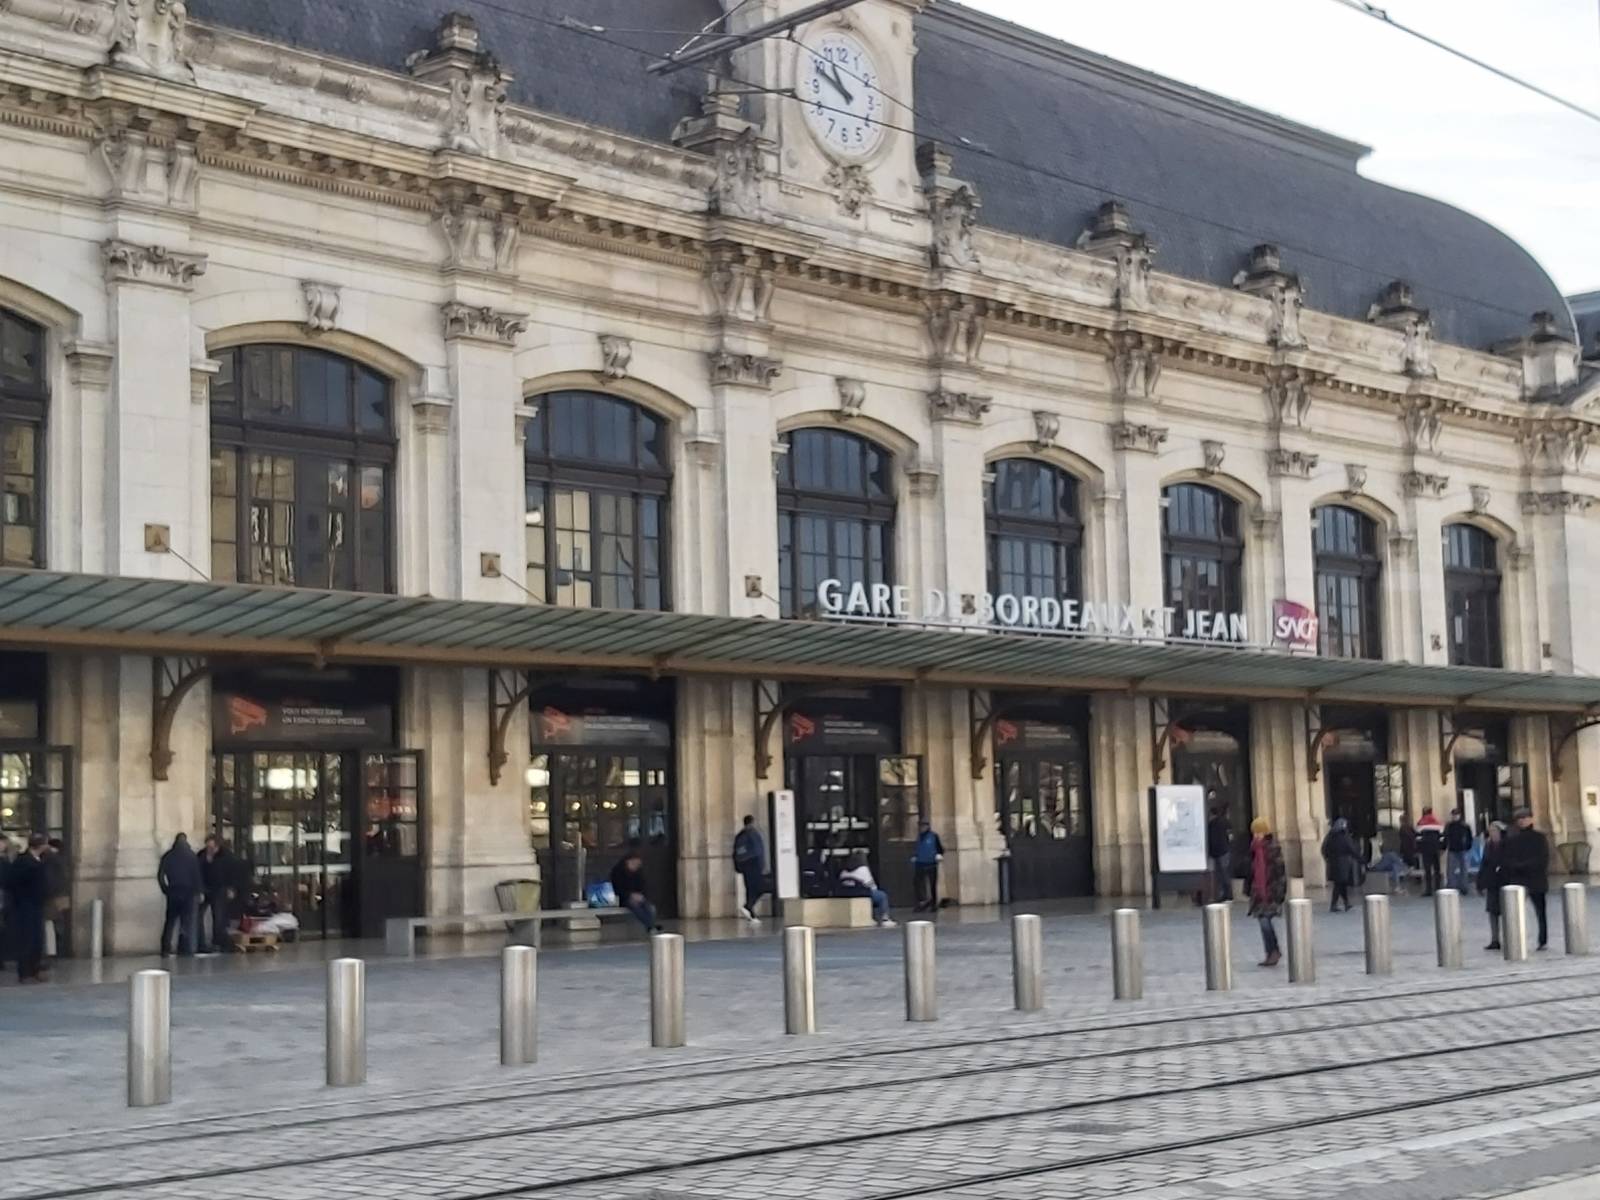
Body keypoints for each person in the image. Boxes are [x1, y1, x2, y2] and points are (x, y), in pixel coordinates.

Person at [1501, 806, 1551, 950]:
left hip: (1536, 878)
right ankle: (1515, 939)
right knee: (1515, 912)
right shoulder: (1512, 839)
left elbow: (1543, 858)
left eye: (1524, 818)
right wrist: (1515, 867)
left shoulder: (1539, 837)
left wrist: (1522, 866)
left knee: (1540, 912)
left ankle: (1543, 940)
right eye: (1519, 819)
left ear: (1531, 819)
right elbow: (1507, 858)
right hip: (1518, 879)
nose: (1522, 821)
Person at [5, 834, 49, 982]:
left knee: (37, 939)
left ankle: (35, 969)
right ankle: (25, 973)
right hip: (25, 905)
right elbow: (13, 883)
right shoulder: (23, 862)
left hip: (36, 904)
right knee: (27, 939)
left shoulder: (39, 860)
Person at [1247, 817, 1287, 967]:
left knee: (1265, 922)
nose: (1256, 835)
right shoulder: (1254, 849)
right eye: (1255, 833)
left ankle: (1273, 952)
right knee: (1263, 922)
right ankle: (1271, 952)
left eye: (1259, 832)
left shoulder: (1273, 849)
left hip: (1270, 891)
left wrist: (1279, 893)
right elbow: (1253, 872)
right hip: (1259, 892)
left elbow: (1280, 873)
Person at [156, 832, 202, 957]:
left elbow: (160, 875)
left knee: (170, 922)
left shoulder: (168, 856)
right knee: (185, 922)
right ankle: (184, 947)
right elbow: (196, 876)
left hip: (173, 892)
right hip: (188, 893)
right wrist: (198, 891)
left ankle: (166, 947)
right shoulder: (191, 856)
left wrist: (165, 889)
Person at [198, 835, 239, 953]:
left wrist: (231, 888)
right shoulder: (202, 855)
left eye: (211, 847)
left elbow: (232, 872)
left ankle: (219, 942)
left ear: (217, 846)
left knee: (218, 917)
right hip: (205, 889)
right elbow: (197, 870)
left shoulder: (226, 856)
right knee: (199, 915)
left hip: (219, 889)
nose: (209, 849)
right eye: (207, 846)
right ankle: (201, 943)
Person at [609, 847, 662, 933]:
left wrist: (640, 895)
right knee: (636, 907)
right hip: (623, 898)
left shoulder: (638, 872)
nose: (636, 866)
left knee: (650, 907)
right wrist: (630, 895)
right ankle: (651, 926)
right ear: (628, 861)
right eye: (635, 863)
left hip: (638, 896)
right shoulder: (617, 872)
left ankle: (651, 926)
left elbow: (643, 886)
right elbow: (617, 889)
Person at [839, 852, 896, 927]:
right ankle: (885, 919)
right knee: (882, 895)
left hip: (847, 894)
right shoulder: (863, 869)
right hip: (862, 893)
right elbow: (871, 885)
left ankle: (871, 917)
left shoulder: (844, 871)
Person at [731, 815, 768, 923]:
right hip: (755, 866)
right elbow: (758, 851)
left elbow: (735, 853)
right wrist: (762, 866)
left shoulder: (740, 836)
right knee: (761, 888)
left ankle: (751, 914)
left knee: (749, 889)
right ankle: (748, 906)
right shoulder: (753, 834)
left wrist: (738, 867)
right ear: (752, 822)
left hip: (745, 867)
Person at [1321, 817, 1361, 913]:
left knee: (1340, 884)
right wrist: (1361, 859)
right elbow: (1351, 849)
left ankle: (1346, 903)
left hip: (1333, 863)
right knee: (1339, 884)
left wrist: (1328, 859)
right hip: (1343, 864)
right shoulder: (1344, 836)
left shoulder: (1330, 836)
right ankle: (1334, 905)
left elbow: (1324, 849)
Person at [1478, 820, 1506, 950]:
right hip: (1491, 882)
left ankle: (1510, 937)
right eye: (1490, 831)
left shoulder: (1507, 845)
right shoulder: (1488, 845)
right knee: (1492, 912)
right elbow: (1484, 864)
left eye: (1494, 831)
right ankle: (1495, 939)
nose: (1492, 833)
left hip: (1505, 882)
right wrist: (1480, 883)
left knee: (1507, 911)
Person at [912, 821, 945, 912]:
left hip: (931, 864)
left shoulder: (934, 836)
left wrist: (939, 855)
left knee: (932, 885)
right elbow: (916, 849)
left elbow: (940, 849)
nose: (922, 828)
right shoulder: (918, 837)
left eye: (924, 826)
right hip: (919, 863)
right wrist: (915, 856)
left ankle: (933, 904)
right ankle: (921, 903)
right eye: (921, 826)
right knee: (918, 884)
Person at [1369, 825, 1409, 896]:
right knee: (1391, 855)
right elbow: (1374, 858)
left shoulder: (1381, 844)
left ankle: (1397, 888)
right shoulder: (1373, 842)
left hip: (1382, 863)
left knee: (1394, 866)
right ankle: (1404, 867)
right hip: (1376, 865)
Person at [1206, 802, 1232, 904]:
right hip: (1224, 851)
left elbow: (1212, 839)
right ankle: (1227, 894)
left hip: (1218, 852)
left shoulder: (1212, 825)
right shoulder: (1224, 822)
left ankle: (1226, 894)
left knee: (1221, 874)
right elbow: (1229, 835)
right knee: (1224, 873)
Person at [1416, 807, 1445, 895]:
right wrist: (1441, 848)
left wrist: (1419, 849)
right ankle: (1438, 887)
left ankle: (1428, 890)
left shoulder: (1420, 823)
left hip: (1426, 850)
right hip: (1436, 849)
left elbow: (1418, 838)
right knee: (1437, 869)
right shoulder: (1438, 823)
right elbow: (1442, 838)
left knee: (1427, 870)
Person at [1444, 809, 1474, 893]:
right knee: (1452, 869)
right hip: (1453, 849)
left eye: (1456, 815)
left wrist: (1468, 846)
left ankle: (1463, 887)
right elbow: (1446, 837)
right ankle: (1452, 886)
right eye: (1453, 815)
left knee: (1462, 869)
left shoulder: (1464, 826)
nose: (1454, 816)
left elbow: (1469, 837)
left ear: (1459, 815)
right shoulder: (1450, 826)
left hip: (1462, 849)